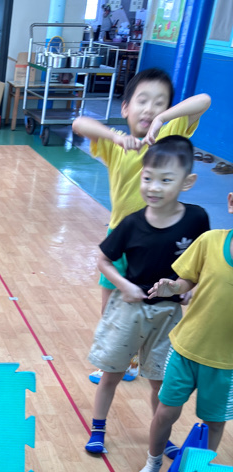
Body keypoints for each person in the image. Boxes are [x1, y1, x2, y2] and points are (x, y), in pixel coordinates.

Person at [72, 70, 210, 383]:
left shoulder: (169, 135)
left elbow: (203, 100)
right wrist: (115, 137)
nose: (149, 109)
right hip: (122, 237)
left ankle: (139, 360)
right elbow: (79, 123)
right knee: (113, 304)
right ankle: (114, 359)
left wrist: (164, 119)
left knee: (156, 304)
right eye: (142, 101)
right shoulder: (116, 145)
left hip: (160, 240)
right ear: (125, 108)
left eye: (159, 103)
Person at [84, 136, 209, 457]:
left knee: (159, 382)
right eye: (148, 178)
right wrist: (124, 285)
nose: (154, 187)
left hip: (167, 315)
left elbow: (202, 264)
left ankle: (160, 436)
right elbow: (103, 260)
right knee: (111, 374)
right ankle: (98, 428)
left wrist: (188, 288)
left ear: (187, 182)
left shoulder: (197, 219)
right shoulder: (132, 223)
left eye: (166, 180)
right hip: (130, 309)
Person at [128, 191, 233, 472]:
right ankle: (153, 463)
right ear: (230, 202)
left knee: (214, 422)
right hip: (186, 348)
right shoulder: (210, 241)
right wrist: (174, 287)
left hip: (225, 363)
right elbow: (188, 279)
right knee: (165, 412)